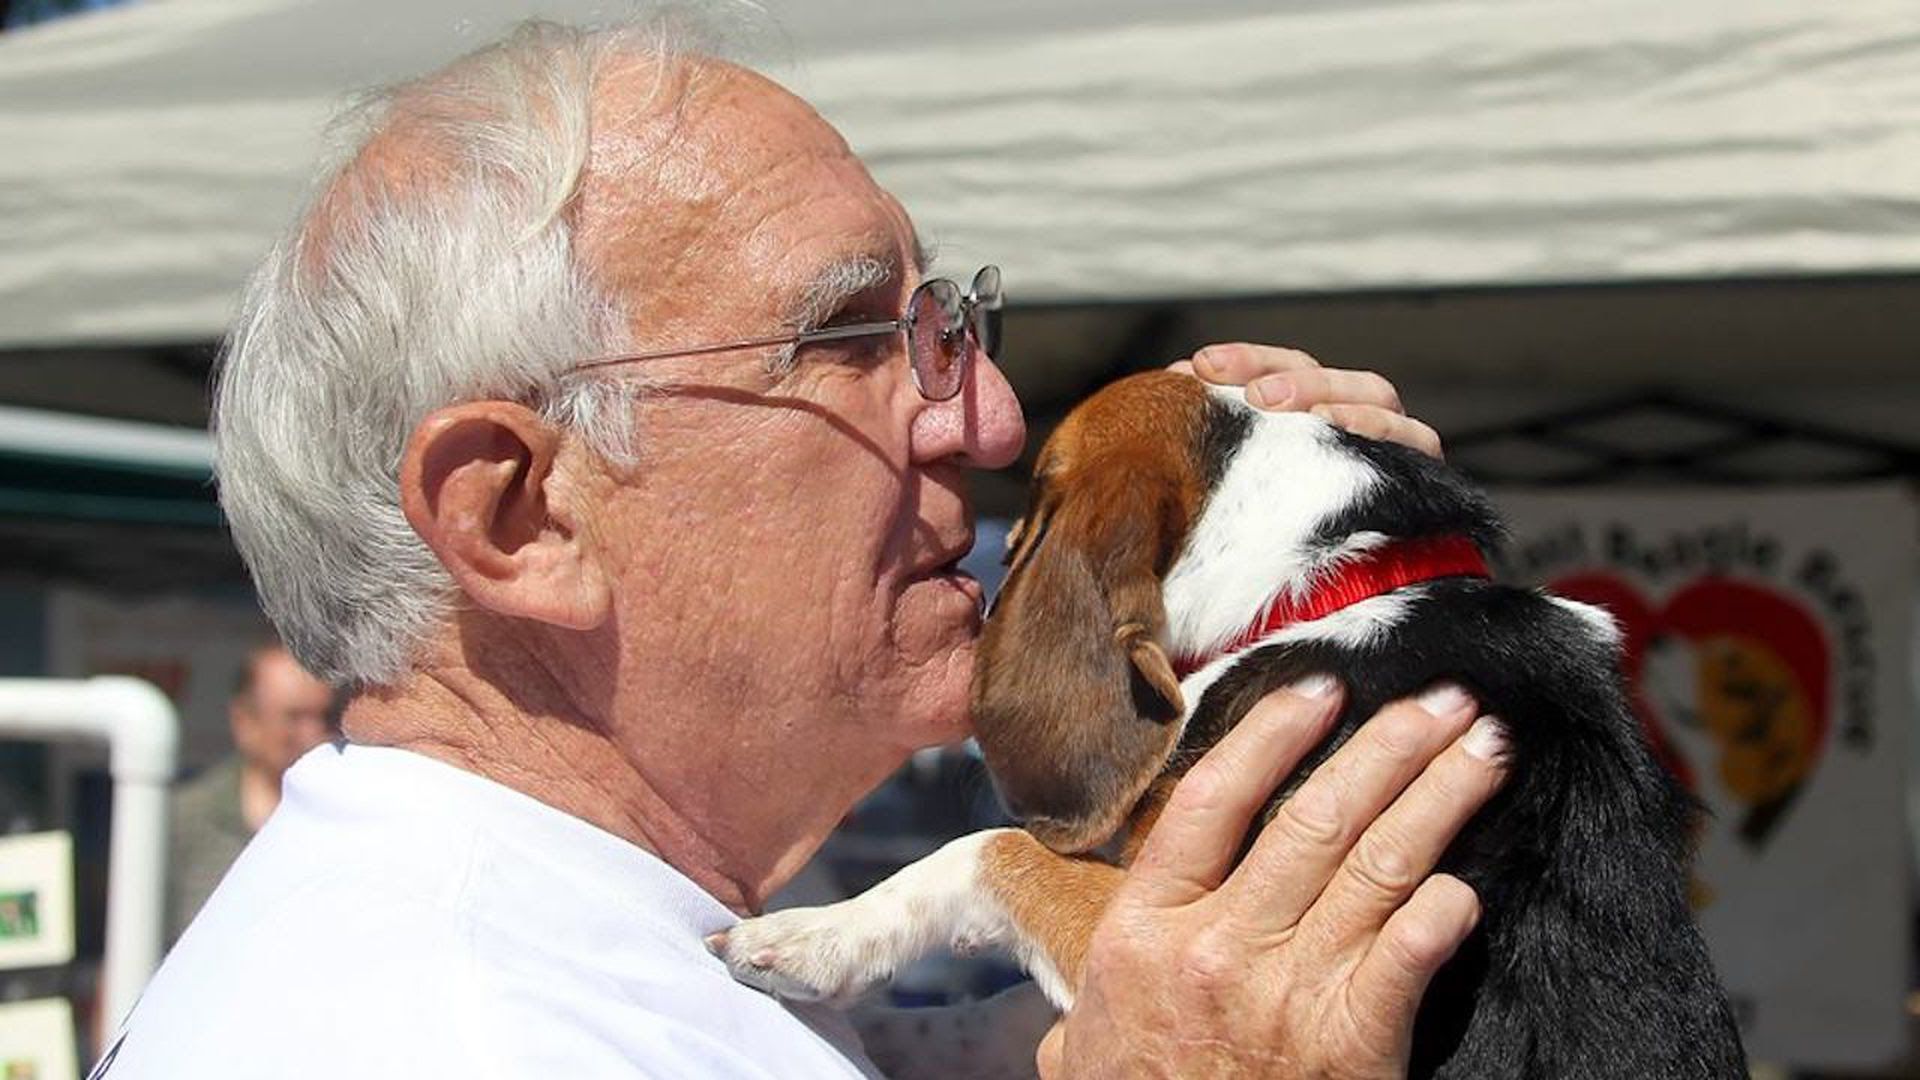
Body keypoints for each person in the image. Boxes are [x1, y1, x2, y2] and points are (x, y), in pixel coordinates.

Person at [102, 19, 1505, 1079]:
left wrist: (1298, 610)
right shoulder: (465, 1033)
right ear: (518, 518)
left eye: (950, 323)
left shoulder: (567, 954)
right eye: (848, 337)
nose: (993, 417)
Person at [164, 644, 333, 944]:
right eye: (294, 717)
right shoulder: (181, 820)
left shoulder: (348, 818)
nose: (314, 735)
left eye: (325, 717)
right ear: (244, 721)